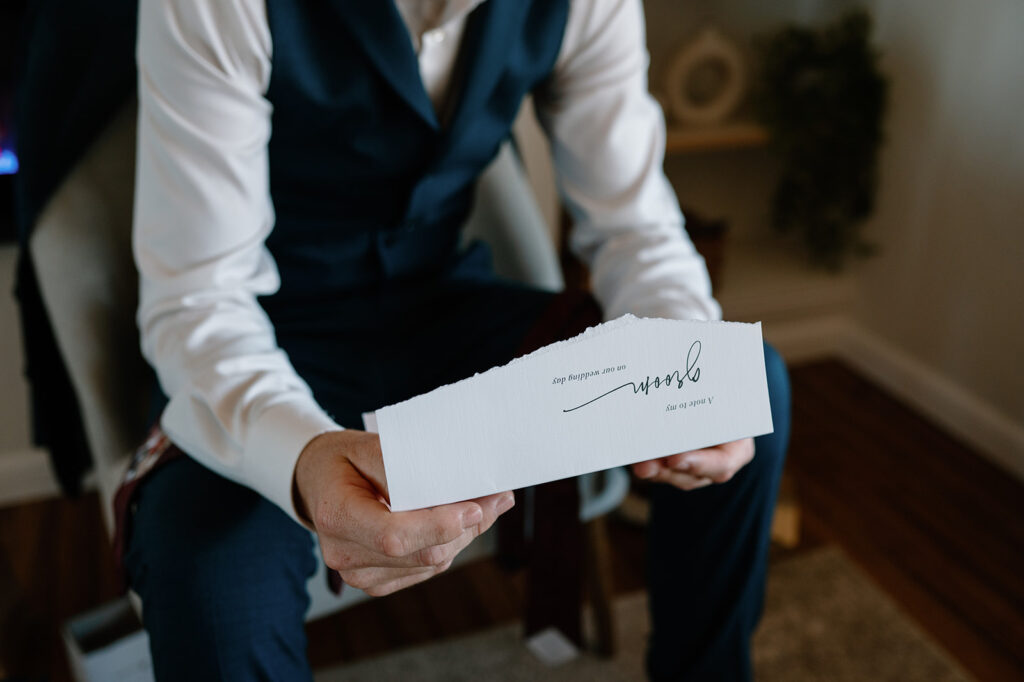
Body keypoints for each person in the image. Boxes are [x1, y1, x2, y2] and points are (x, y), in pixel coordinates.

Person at [125, 0, 790, 679]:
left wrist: (688, 368)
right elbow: (200, 298)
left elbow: (634, 226)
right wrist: (300, 458)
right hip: (262, 334)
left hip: (445, 311)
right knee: (209, 569)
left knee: (740, 385)